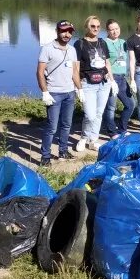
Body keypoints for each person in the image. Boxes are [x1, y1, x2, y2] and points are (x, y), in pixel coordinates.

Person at [37, 20, 80, 166]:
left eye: (69, 31)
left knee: (67, 125)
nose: (66, 34)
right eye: (63, 31)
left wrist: (79, 89)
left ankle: (63, 151)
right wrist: (45, 92)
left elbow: (74, 71)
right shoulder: (47, 49)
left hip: (69, 93)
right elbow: (40, 72)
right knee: (51, 127)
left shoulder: (72, 50)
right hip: (54, 93)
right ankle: (45, 156)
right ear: (57, 31)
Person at [73, 16, 117, 152]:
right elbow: (76, 67)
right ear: (86, 27)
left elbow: (107, 62)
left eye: (98, 26)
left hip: (104, 83)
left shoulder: (103, 43)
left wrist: (112, 79)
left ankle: (93, 140)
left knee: (99, 113)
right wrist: (77, 86)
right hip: (87, 83)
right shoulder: (79, 44)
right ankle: (83, 138)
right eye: (93, 26)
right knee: (90, 115)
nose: (96, 29)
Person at [101, 19, 136, 139]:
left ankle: (122, 128)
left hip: (122, 77)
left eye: (116, 28)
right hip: (111, 77)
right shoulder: (104, 42)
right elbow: (104, 62)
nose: (115, 31)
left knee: (131, 104)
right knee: (111, 107)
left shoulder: (123, 42)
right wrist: (110, 80)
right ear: (107, 31)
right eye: (111, 29)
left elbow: (134, 51)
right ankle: (111, 131)